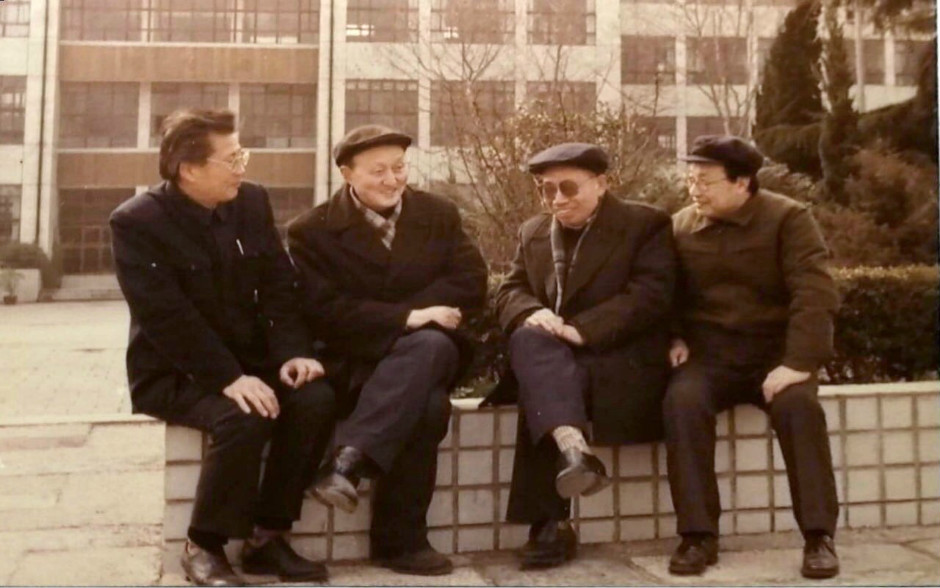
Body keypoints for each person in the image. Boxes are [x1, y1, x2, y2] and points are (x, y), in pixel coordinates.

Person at [110, 109, 335, 587]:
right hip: (176, 370)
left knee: (314, 398)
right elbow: (166, 318)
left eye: (241, 155)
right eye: (231, 159)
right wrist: (228, 378)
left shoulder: (251, 201)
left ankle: (267, 537)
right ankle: (203, 547)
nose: (242, 168)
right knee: (244, 415)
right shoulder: (137, 222)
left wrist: (292, 352)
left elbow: (278, 285)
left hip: (249, 363)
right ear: (189, 169)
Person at [286, 124, 488, 576]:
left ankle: (349, 462)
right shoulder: (311, 231)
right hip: (357, 360)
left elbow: (471, 282)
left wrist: (410, 321)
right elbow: (323, 310)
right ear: (346, 173)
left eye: (399, 168)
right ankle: (402, 543)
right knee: (428, 406)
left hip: (431, 353)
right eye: (378, 171)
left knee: (431, 344)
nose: (392, 180)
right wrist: (407, 317)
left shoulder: (437, 213)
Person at [484, 142, 677, 569]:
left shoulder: (644, 224)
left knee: (541, 379)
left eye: (568, 188)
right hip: (555, 359)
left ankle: (549, 524)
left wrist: (582, 329)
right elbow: (510, 290)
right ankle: (573, 450)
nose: (556, 199)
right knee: (531, 341)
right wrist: (532, 312)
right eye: (546, 189)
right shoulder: (533, 231)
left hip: (617, 358)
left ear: (601, 184)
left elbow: (651, 295)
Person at [665, 135, 840, 579]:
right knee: (681, 403)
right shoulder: (680, 226)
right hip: (710, 357)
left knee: (800, 408)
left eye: (705, 181)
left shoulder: (788, 218)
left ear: (742, 182)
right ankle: (697, 536)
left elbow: (814, 292)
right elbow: (663, 292)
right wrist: (675, 335)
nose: (694, 190)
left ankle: (819, 536)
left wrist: (798, 363)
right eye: (690, 179)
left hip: (776, 357)